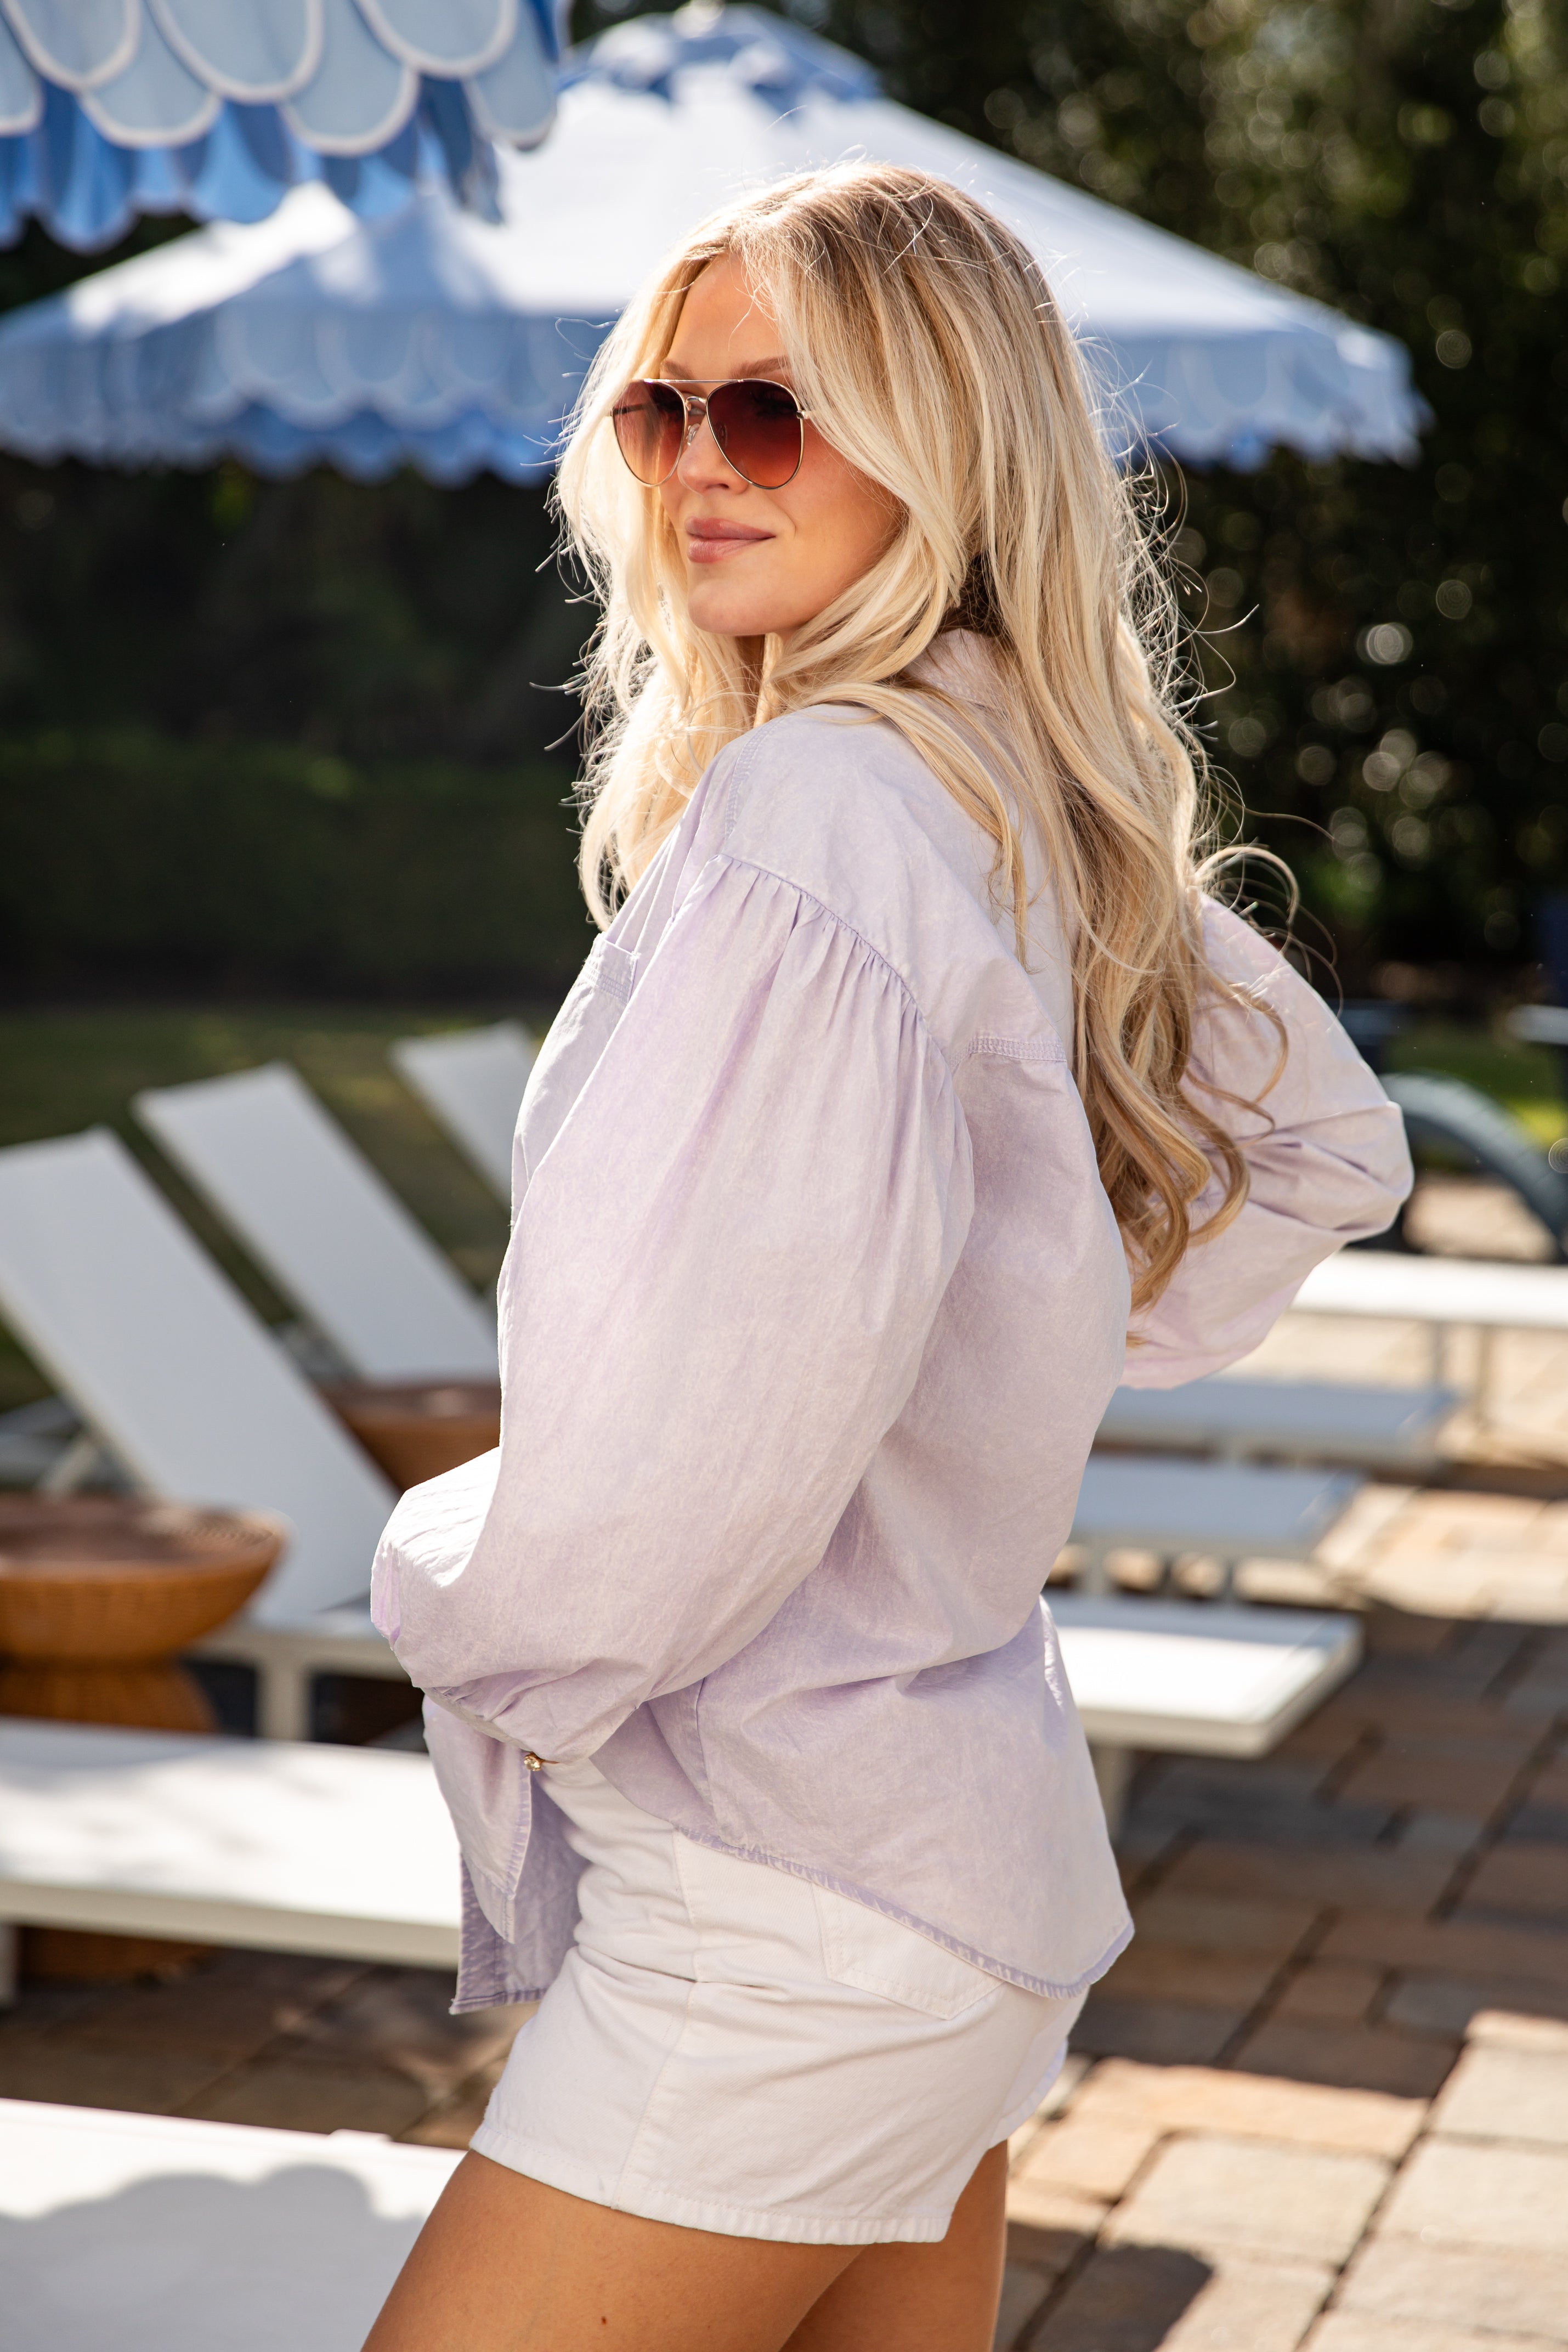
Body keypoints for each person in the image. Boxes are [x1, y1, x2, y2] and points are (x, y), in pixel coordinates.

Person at [362, 165, 1411, 2352]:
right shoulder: (1002, 775)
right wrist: (1013, 1349)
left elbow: (674, 1457)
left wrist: (469, 1607)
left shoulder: (826, 806)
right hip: (951, 1858)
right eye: (661, 411)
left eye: (780, 410)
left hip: (786, 1888)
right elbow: (1314, 1145)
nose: (701, 468)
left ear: (949, 439)